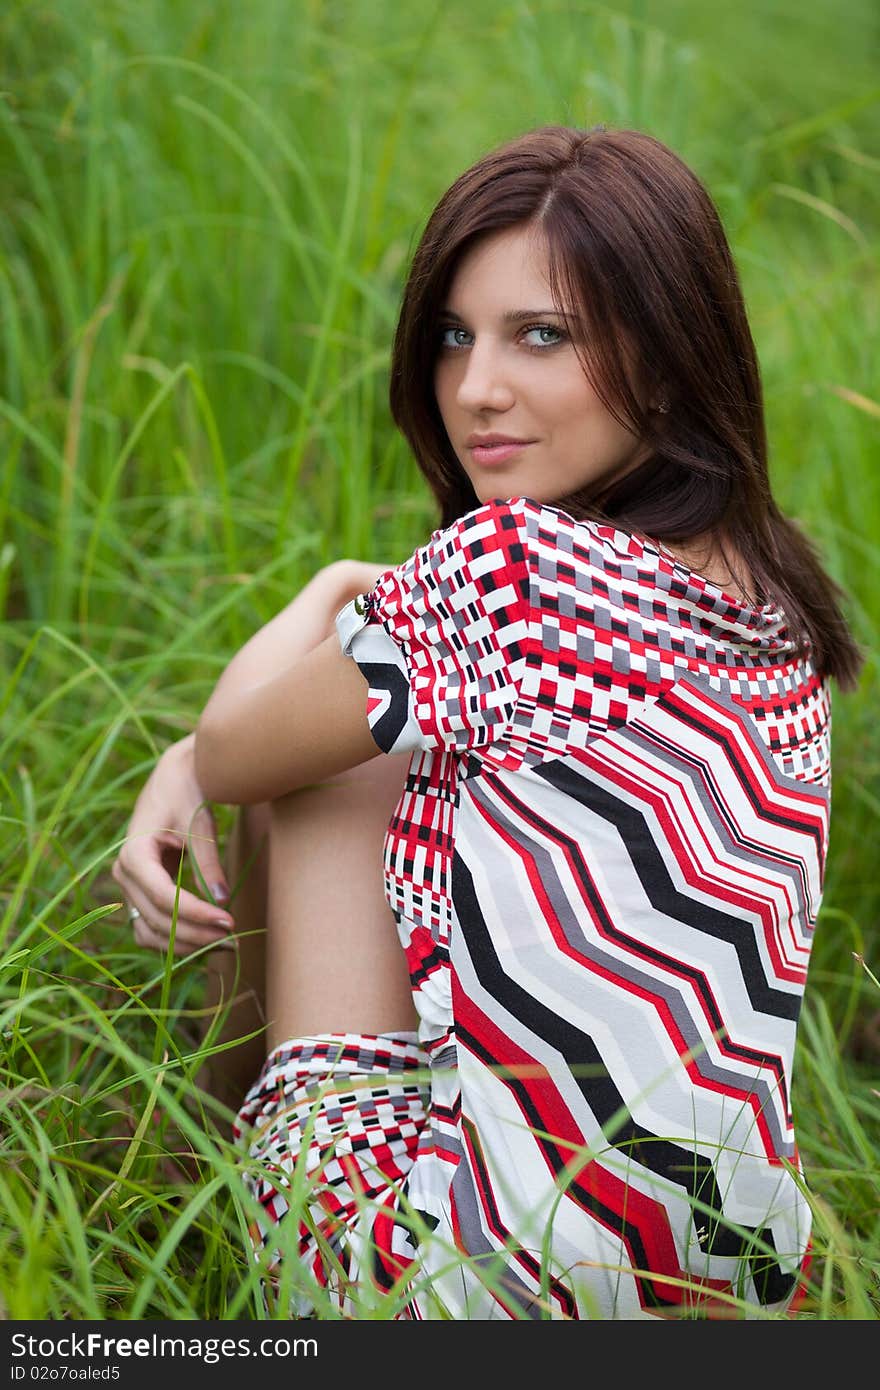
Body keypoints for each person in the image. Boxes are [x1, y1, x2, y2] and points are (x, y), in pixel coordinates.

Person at [111, 123, 863, 1320]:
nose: (473, 388)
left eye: (540, 335)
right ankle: (189, 1172)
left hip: (448, 1294)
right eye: (454, 335)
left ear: (666, 355)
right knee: (384, 733)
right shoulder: (777, 603)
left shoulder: (510, 570)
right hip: (719, 1278)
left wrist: (325, 597)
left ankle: (183, 1184)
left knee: (330, 770)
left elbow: (243, 751)